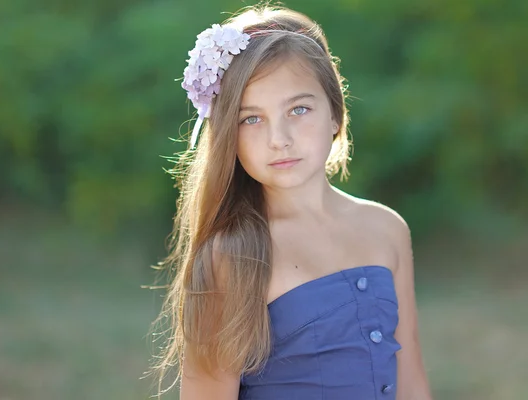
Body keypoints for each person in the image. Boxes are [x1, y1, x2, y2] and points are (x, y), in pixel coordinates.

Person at [147, 3, 432, 399]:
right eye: (252, 118)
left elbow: (412, 380)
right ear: (229, 135)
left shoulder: (386, 229)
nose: (278, 138)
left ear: (335, 113)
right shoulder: (233, 256)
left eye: (298, 109)